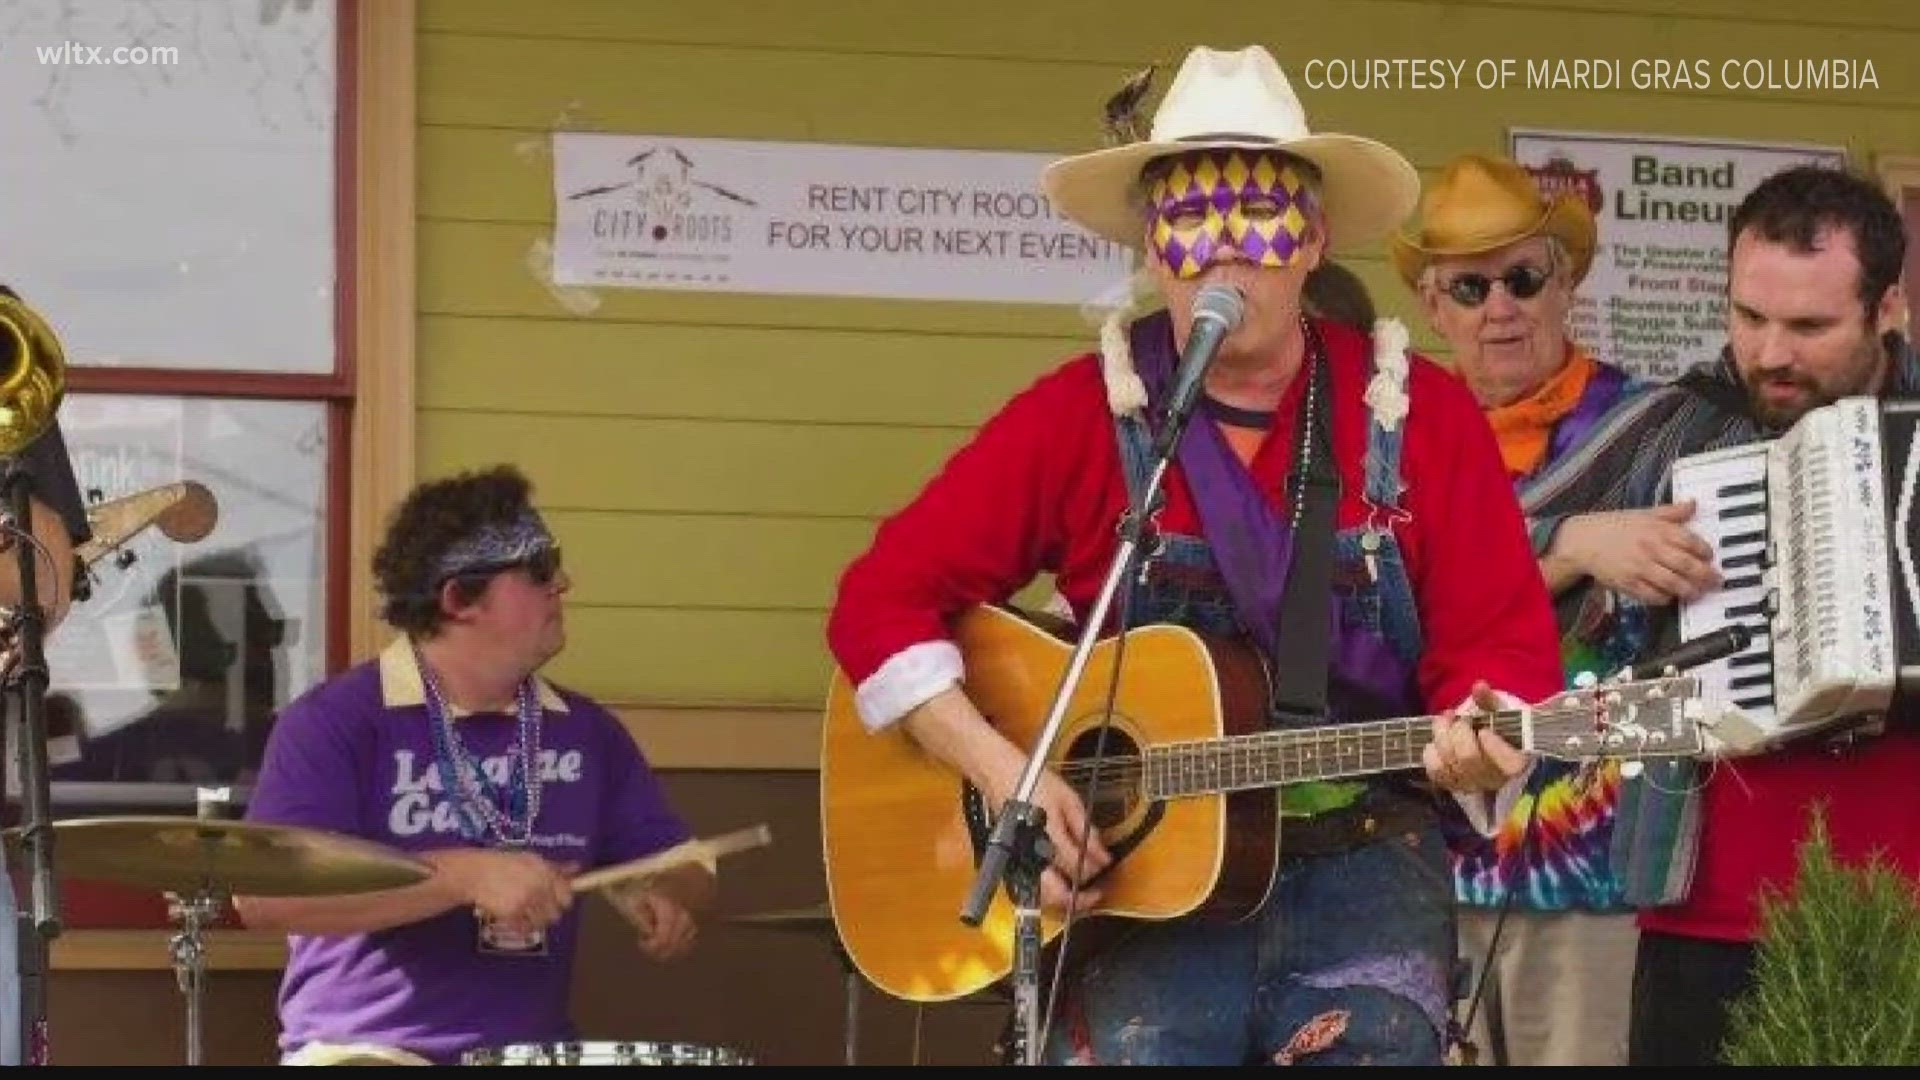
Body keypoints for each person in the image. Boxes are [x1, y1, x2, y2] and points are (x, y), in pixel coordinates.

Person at [824, 45, 1561, 1067]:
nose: (1224, 255)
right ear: (1152, 249)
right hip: (1145, 899)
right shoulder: (1080, 418)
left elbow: (1502, 647)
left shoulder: (1419, 416)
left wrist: (1486, 727)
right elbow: (879, 603)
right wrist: (1003, 770)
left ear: (1310, 242)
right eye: (1189, 223)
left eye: (1256, 221)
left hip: (1363, 868)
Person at [1515, 164, 1915, 1065]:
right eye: (1749, 316)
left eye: (1810, 326)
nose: (1770, 353)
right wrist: (1581, 540)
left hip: (1909, 901)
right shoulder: (1676, 421)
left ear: (1888, 306)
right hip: (1709, 908)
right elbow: (1473, 562)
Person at [1392, 153, 1723, 1067]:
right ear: (1434, 305)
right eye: (1470, 285)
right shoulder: (1394, 446)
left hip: (1591, 873)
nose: (1499, 306)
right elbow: (1401, 620)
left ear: (1566, 282)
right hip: (1424, 866)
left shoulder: (1663, 431)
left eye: (1524, 277)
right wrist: (1572, 547)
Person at [234, 464, 714, 1066]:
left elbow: (689, 866)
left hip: (528, 1055)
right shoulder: (335, 722)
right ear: (459, 598)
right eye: (538, 569)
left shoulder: (589, 732)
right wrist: (460, 877)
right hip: (368, 1052)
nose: (564, 582)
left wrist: (668, 894)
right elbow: (264, 899)